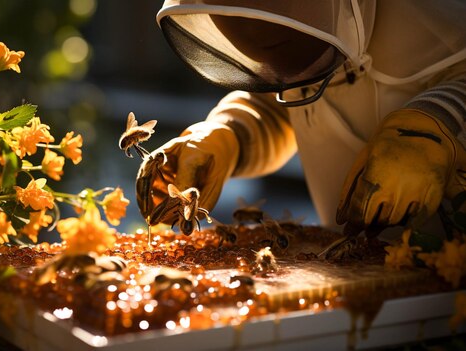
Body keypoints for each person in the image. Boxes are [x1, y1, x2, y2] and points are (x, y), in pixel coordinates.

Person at [136, 0, 466, 238]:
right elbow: (286, 106)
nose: (251, 30)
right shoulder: (298, 38)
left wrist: (435, 123)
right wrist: (229, 133)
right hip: (352, 269)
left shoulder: (436, 16)